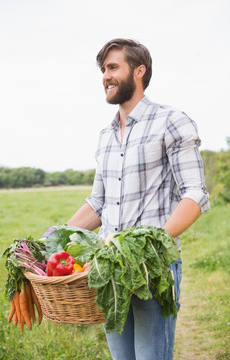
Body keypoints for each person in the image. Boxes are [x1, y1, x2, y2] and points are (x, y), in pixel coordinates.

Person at [65, 38, 210, 360]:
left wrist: (153, 243)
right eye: (103, 70)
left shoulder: (171, 121)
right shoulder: (105, 136)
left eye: (113, 67)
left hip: (152, 267)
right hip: (107, 270)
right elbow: (98, 202)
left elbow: (195, 192)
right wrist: (52, 239)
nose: (106, 76)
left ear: (139, 71)